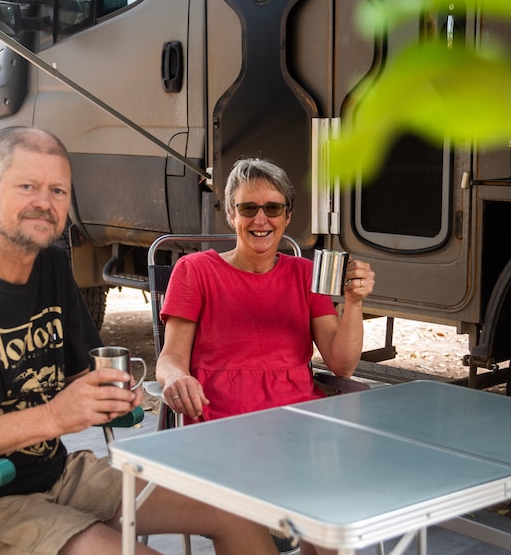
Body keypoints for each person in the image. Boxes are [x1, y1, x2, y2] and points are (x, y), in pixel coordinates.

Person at [0, 128, 278, 555]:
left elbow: (79, 380)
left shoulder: (51, 267)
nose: (44, 202)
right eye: (28, 186)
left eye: (58, 190)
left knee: (237, 507)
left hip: (55, 478)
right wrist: (53, 417)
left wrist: (106, 395)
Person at [156, 158, 375, 423]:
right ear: (231, 214)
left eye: (272, 208)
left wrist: (354, 302)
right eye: (248, 208)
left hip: (300, 422)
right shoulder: (196, 270)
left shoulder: (304, 274)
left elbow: (342, 365)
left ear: (287, 216)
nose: (261, 220)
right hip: (221, 425)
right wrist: (176, 377)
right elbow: (171, 358)